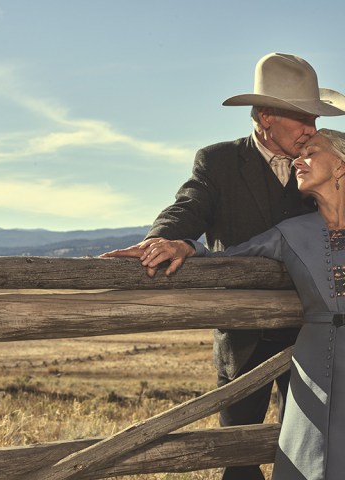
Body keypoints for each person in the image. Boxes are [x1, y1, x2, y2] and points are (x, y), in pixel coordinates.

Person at [101, 53, 345, 480]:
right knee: (239, 453)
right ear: (266, 115)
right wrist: (167, 238)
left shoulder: (317, 164)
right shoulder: (219, 162)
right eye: (302, 118)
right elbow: (189, 206)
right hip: (242, 335)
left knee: (319, 444)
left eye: (314, 119)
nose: (311, 128)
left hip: (313, 335)